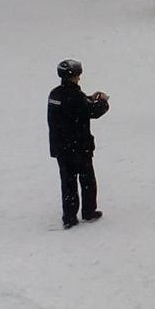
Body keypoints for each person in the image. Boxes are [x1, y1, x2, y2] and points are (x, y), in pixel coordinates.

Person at [48, 59, 109, 229]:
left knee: (67, 182)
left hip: (61, 147)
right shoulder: (76, 97)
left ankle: (69, 216)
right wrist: (103, 101)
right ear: (74, 76)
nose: (79, 79)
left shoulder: (55, 95)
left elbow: (75, 106)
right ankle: (89, 211)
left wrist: (89, 98)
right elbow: (92, 111)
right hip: (79, 146)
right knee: (87, 179)